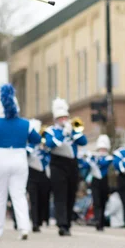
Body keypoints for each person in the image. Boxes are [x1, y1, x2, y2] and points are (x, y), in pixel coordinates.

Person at [0, 84, 41, 240]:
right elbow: (37, 139)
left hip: (0, 157)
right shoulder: (26, 124)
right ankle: (24, 228)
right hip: (19, 157)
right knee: (19, 195)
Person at [44, 98, 88, 236]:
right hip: (58, 164)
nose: (64, 120)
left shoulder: (72, 129)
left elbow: (83, 141)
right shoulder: (51, 130)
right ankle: (62, 224)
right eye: (61, 118)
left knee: (70, 194)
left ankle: (68, 223)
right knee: (60, 194)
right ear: (56, 119)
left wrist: (73, 132)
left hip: (72, 164)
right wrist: (63, 133)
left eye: (65, 117)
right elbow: (50, 144)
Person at [26, 119, 51, 232]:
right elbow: (26, 153)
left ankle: (42, 220)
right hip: (31, 174)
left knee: (43, 197)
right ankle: (35, 223)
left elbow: (49, 156)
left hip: (43, 174)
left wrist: (44, 147)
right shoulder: (29, 143)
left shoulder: (44, 144)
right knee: (34, 199)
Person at [86, 134, 113, 231]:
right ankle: (97, 220)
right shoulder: (93, 157)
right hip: (95, 181)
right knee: (96, 202)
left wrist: (95, 158)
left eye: (104, 149)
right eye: (101, 149)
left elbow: (103, 163)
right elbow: (85, 165)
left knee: (103, 202)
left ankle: (101, 221)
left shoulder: (108, 158)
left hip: (104, 181)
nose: (102, 151)